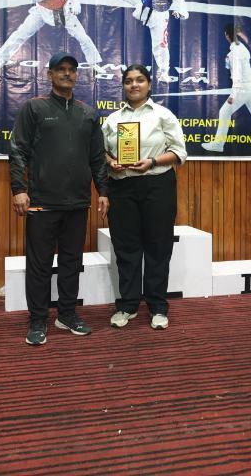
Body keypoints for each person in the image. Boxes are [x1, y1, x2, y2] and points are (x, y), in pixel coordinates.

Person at [9, 52, 110, 346]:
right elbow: (17, 150)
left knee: (71, 262)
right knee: (39, 265)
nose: (67, 73)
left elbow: (97, 158)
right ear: (50, 74)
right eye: (61, 69)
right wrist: (18, 189)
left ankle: (66, 314)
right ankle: (37, 320)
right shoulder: (34, 108)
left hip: (77, 203)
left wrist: (103, 191)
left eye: (72, 70)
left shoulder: (88, 114)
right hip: (41, 202)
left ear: (77, 75)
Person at [101, 65, 187, 330]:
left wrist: (152, 161)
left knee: (158, 247)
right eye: (128, 81)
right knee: (126, 248)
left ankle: (158, 306)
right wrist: (111, 161)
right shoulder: (112, 119)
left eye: (139, 80)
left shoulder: (163, 115)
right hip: (121, 187)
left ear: (149, 84)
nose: (134, 85)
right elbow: (99, 151)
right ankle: (127, 305)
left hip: (157, 185)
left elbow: (179, 152)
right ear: (123, 86)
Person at [76, 0, 188, 82]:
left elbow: (184, 12)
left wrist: (178, 13)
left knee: (161, 44)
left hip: (159, 14)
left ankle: (164, 72)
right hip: (143, 1)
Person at [202, 23, 251, 154]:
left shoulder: (235, 53)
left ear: (226, 35)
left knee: (224, 112)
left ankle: (218, 144)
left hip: (243, 88)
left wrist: (233, 96)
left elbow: (237, 77)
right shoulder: (241, 48)